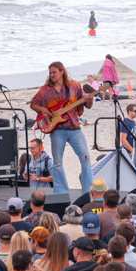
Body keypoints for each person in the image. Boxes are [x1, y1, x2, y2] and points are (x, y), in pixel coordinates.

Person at [29, 62, 94, 195]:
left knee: (85, 158)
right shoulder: (45, 90)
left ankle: (88, 191)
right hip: (57, 129)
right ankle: (61, 192)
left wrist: (90, 98)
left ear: (62, 71)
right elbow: (33, 104)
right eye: (50, 72)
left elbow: (87, 105)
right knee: (57, 163)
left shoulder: (74, 86)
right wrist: (44, 110)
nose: (52, 75)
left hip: (74, 127)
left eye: (54, 72)